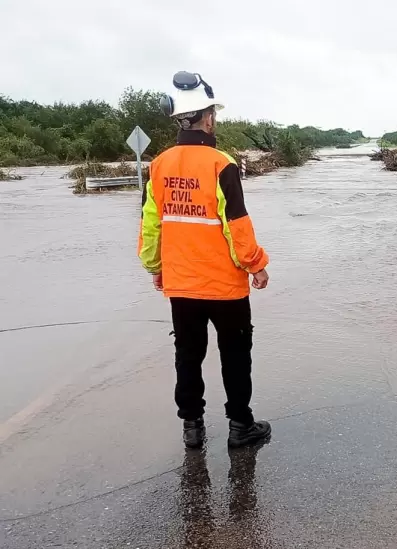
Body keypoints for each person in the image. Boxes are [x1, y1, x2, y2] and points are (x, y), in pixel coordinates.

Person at [138, 71, 271, 449]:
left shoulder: (159, 165)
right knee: (234, 355)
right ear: (208, 117)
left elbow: (151, 223)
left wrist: (154, 266)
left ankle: (192, 428)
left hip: (182, 284)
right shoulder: (222, 163)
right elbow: (237, 225)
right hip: (225, 286)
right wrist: (256, 264)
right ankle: (240, 425)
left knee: (188, 355)